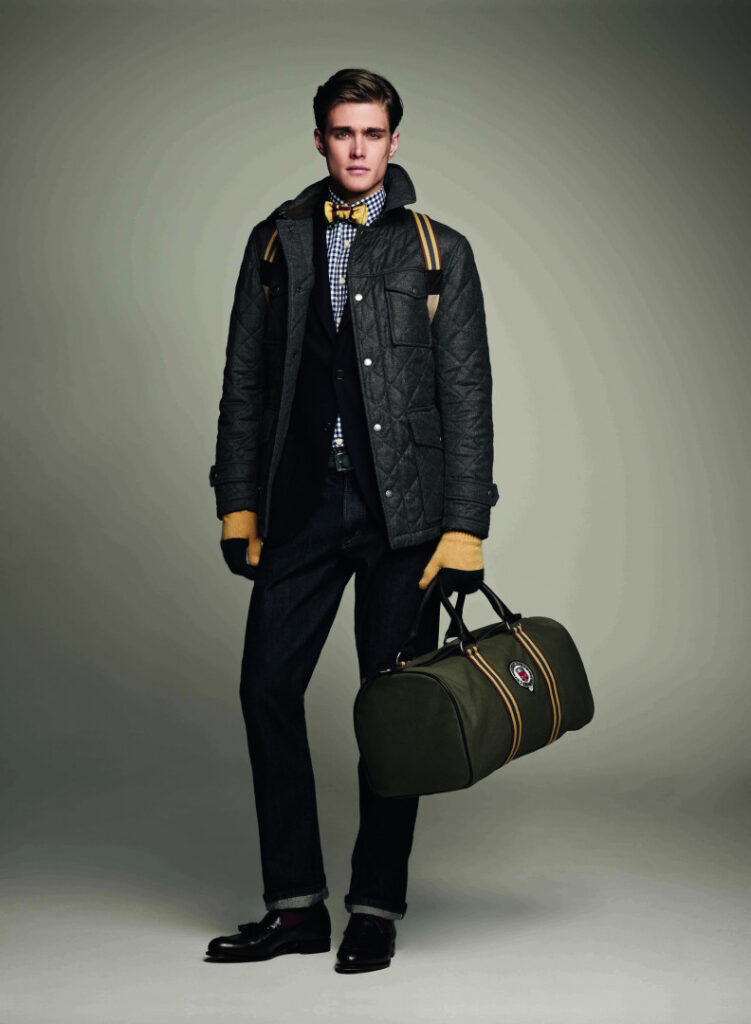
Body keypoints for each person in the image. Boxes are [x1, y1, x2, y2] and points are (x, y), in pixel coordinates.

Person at [205, 68, 498, 973]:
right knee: (266, 688)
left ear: (394, 141)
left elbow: (466, 396)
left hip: (403, 516)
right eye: (342, 132)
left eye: (372, 132)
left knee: (393, 712)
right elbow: (245, 383)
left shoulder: (438, 249)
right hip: (299, 503)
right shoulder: (275, 243)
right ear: (319, 140)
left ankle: (374, 906)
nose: (358, 148)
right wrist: (238, 503)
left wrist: (464, 526)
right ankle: (295, 907)